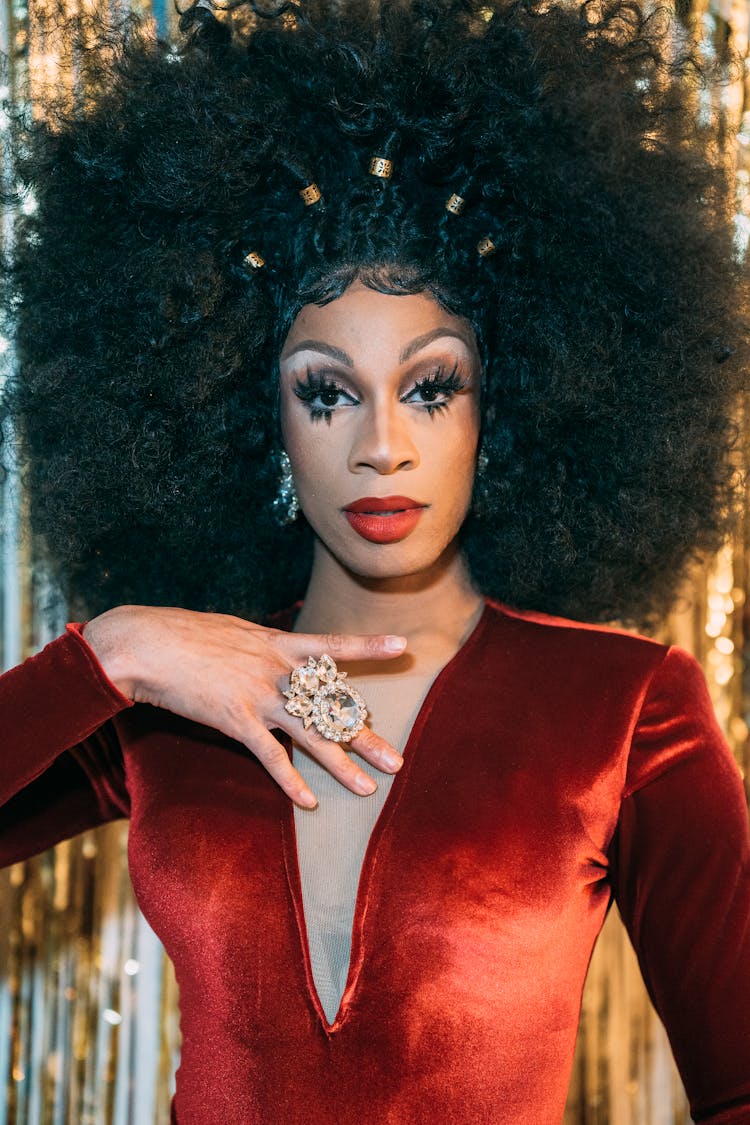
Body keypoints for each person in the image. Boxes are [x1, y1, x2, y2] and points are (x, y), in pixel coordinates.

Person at [0, 0, 749, 1120]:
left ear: (509, 408)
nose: (382, 445)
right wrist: (116, 652)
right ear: (257, 417)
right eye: (327, 391)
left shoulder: (628, 709)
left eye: (432, 386)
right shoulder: (170, 702)